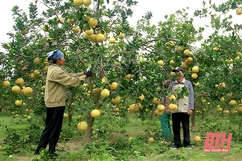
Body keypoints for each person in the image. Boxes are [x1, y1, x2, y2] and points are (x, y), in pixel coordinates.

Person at [34, 50, 92, 156]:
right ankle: (45, 153)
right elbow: (70, 81)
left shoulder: (54, 69)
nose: (64, 59)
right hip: (56, 104)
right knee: (54, 130)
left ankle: (42, 152)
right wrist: (84, 77)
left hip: (52, 102)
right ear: (58, 60)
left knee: (49, 128)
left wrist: (82, 73)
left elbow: (68, 75)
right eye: (63, 58)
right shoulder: (56, 72)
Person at [169, 67, 194, 149]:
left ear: (183, 73)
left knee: (185, 127)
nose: (177, 74)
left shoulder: (188, 83)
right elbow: (167, 93)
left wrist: (191, 108)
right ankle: (177, 144)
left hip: (185, 108)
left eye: (178, 72)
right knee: (175, 127)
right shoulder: (172, 84)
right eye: (175, 73)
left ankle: (187, 143)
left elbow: (191, 96)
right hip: (175, 109)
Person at [159, 80, 173, 144]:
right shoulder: (172, 92)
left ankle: (167, 140)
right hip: (170, 110)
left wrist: (157, 109)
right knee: (167, 125)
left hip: (164, 110)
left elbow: (162, 102)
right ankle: (170, 138)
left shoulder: (164, 92)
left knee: (164, 125)